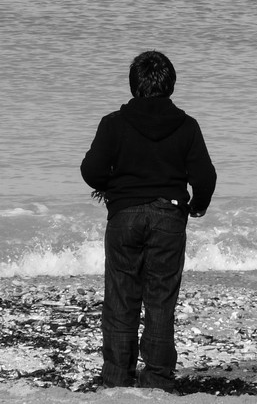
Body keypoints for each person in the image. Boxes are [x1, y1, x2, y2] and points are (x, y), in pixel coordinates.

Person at [80, 50, 217, 391]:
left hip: (124, 216)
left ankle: (116, 378)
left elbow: (91, 171)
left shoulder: (113, 123)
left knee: (120, 300)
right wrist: (197, 206)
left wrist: (114, 188)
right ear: (170, 84)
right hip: (169, 217)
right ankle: (156, 380)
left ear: (133, 84)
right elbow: (205, 177)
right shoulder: (186, 126)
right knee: (160, 302)